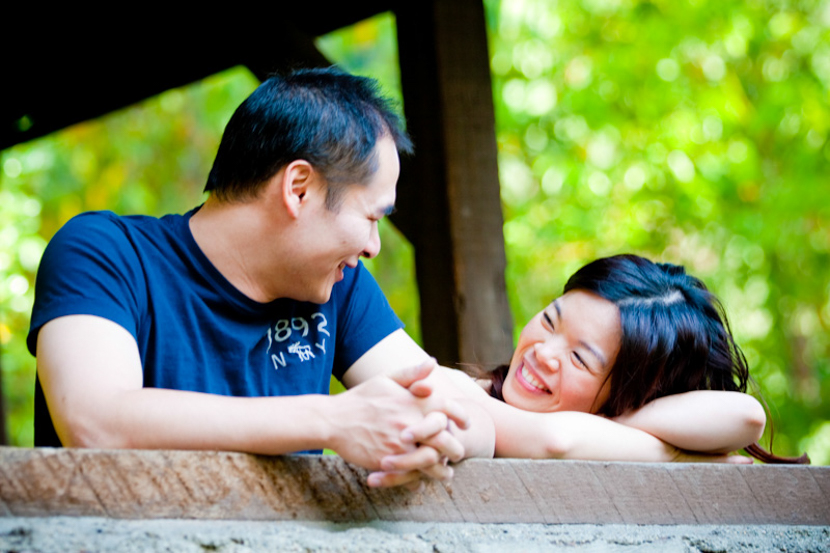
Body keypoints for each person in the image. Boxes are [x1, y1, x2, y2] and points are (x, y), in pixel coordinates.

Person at [27, 67, 490, 487]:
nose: (374, 246)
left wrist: (445, 434)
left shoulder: (337, 284)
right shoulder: (104, 252)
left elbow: (455, 408)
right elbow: (96, 421)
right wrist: (330, 420)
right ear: (299, 188)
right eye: (372, 217)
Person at [372, 254, 807, 484]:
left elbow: (747, 416)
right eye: (550, 319)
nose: (544, 353)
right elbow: (558, 441)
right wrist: (677, 453)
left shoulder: (608, 422)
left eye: (580, 358)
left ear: (629, 392)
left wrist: (613, 426)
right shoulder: (461, 389)